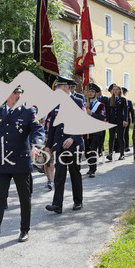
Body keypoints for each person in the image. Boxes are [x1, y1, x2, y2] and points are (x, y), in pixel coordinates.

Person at [0, 87, 45, 246]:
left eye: (20, 93)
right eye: (15, 93)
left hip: (21, 162)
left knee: (24, 198)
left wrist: (36, 146)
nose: (18, 95)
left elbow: (38, 130)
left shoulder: (28, 111)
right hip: (1, 162)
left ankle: (24, 230)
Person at [45, 76, 85, 214]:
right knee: (59, 176)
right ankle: (57, 205)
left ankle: (78, 201)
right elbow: (52, 127)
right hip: (59, 145)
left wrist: (73, 138)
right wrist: (48, 145)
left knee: (75, 174)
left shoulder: (78, 102)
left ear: (67, 87)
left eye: (59, 86)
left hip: (74, 145)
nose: (56, 89)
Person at [84, 83, 106, 178]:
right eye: (89, 91)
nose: (90, 93)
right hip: (85, 131)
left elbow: (101, 118)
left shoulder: (101, 105)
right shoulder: (84, 104)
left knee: (93, 150)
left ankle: (92, 169)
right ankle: (90, 166)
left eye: (93, 91)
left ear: (96, 93)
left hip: (96, 131)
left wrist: (92, 114)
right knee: (87, 151)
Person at [106, 84, 126, 161]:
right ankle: (110, 153)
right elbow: (108, 111)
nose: (115, 91)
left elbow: (125, 111)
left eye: (117, 89)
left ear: (119, 90)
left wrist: (125, 120)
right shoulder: (110, 99)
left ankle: (122, 154)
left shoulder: (123, 99)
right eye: (114, 90)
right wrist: (107, 119)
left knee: (120, 137)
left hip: (120, 120)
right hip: (112, 120)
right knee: (111, 137)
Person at [122, 88, 135, 152]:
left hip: (127, 119)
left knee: (126, 133)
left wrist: (133, 120)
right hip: (120, 119)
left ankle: (126, 146)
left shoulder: (129, 101)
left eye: (124, 93)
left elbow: (132, 111)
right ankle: (120, 146)